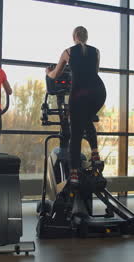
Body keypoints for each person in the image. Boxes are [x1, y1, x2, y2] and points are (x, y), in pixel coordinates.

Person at [46, 26, 106, 185]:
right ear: (86, 37)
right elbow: (94, 71)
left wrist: (48, 72)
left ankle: (73, 173)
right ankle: (95, 153)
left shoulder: (68, 52)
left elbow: (55, 75)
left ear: (74, 36)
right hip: (98, 92)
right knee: (86, 118)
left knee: (76, 132)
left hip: (79, 93)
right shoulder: (97, 52)